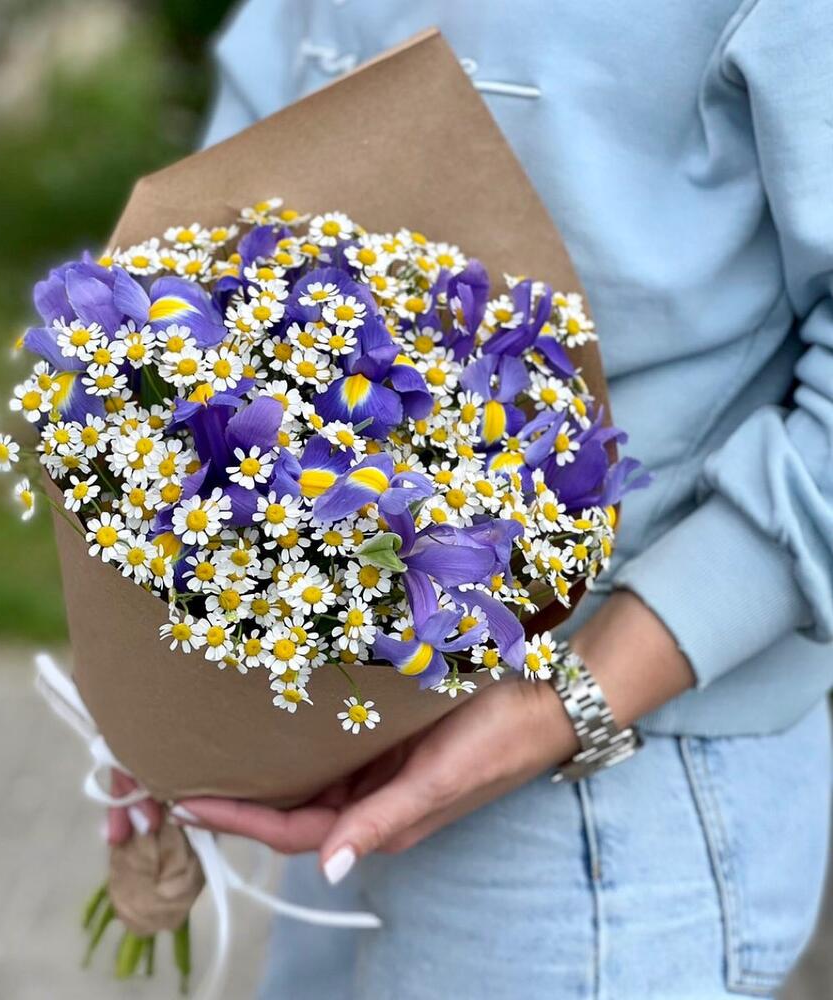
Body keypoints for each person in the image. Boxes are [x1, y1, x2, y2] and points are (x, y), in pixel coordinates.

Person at [109, 2, 833, 996]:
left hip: (604, 799)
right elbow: (244, 150)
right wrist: (170, 640)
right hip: (343, 719)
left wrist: (565, 703)